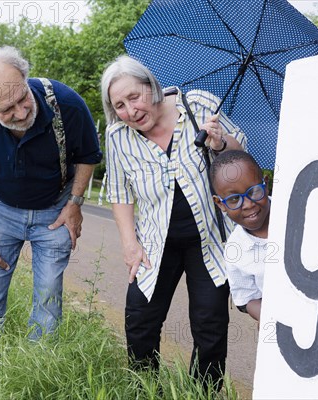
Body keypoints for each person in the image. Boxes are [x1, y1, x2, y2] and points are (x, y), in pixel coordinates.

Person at [100, 55, 247, 387]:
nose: (130, 110)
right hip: (154, 242)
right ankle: (144, 390)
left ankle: (202, 392)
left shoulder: (197, 105)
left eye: (134, 97)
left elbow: (241, 158)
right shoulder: (117, 136)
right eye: (119, 105)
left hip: (209, 240)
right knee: (140, 319)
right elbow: (119, 192)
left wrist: (220, 142)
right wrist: (129, 245)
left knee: (210, 325)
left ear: (151, 87)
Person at [0, 46, 103, 341]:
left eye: (22, 98)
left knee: (48, 298)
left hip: (55, 209)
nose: (21, 113)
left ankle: (41, 365)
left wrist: (74, 204)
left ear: (24, 75)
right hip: (0, 208)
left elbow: (89, 155)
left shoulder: (66, 102)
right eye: (6, 110)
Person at [210, 150, 271, 322]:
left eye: (254, 192)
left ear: (265, 183)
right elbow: (247, 299)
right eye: (234, 199)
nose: (248, 204)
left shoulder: (297, 213)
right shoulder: (235, 250)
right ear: (220, 204)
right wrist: (267, 317)